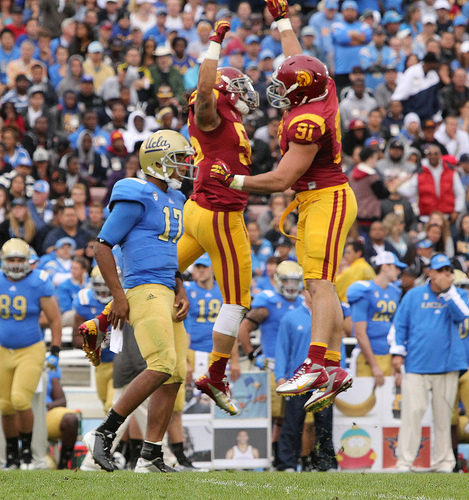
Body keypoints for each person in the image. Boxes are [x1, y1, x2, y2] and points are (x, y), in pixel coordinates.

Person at [210, 0, 357, 414]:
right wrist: (283, 22)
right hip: (316, 199)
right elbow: (299, 61)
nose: (278, 89)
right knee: (317, 283)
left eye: (284, 86)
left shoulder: (305, 123)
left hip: (326, 197)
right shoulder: (322, 86)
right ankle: (332, 367)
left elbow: (280, 180)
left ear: (302, 92)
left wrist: (234, 179)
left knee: (321, 282)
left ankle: (316, 362)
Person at [82, 130, 194, 473]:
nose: (182, 168)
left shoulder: (175, 200)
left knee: (175, 374)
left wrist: (181, 288)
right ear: (157, 163)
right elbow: (102, 245)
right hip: (142, 288)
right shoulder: (136, 192)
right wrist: (118, 295)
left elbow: (169, 253)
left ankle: (150, 454)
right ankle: (103, 433)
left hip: (166, 288)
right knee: (161, 363)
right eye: (177, 161)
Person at [177, 19, 259, 416]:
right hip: (220, 215)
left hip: (197, 210)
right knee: (238, 300)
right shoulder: (210, 112)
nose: (244, 93)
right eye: (238, 86)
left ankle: (103, 321)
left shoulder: (227, 117)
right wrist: (214, 44)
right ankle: (215, 372)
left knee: (160, 270)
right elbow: (205, 87)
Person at [390, 254, 469, 473]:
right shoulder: (414, 295)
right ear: (430, 272)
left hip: (448, 365)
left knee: (444, 417)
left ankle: (444, 463)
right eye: (442, 270)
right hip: (416, 365)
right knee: (412, 415)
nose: (447, 274)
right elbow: (399, 325)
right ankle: (404, 462)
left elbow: (462, 315)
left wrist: (447, 292)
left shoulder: (459, 294)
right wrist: (397, 353)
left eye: (449, 270)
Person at [0, 238, 61, 470]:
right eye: (11, 260)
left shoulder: (39, 282)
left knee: (19, 399)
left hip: (30, 349)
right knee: (5, 406)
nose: (15, 264)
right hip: (2, 349)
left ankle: (27, 452)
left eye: (20, 260)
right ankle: (12, 456)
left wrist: (55, 351)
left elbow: (55, 319)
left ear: (29, 261)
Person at [237, 260, 304, 467]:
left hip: (297, 368)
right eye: (287, 280)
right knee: (270, 416)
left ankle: (281, 457)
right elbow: (243, 329)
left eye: (295, 281)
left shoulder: (304, 302)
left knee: (288, 418)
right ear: (277, 281)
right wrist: (252, 355)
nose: (291, 285)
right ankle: (267, 456)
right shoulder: (268, 301)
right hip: (273, 367)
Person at [275, 290, 337, 472]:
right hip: (298, 379)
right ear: (304, 292)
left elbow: (336, 345)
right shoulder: (290, 318)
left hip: (323, 379)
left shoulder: (329, 316)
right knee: (292, 423)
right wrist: (280, 375)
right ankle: (288, 463)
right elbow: (282, 348)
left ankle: (326, 464)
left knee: (325, 423)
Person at [347, 251, 405, 387]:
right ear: (384, 267)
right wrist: (374, 365)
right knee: (366, 404)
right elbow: (360, 333)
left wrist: (395, 363)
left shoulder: (395, 291)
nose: (398, 271)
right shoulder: (364, 291)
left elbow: (396, 327)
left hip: (387, 355)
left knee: (386, 405)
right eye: (395, 267)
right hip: (367, 356)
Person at [46, 364, 79, 469]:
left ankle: (63, 465)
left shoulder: (47, 367)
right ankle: (13, 459)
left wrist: (45, 405)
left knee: (70, 419)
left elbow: (62, 400)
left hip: (44, 413)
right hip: (15, 413)